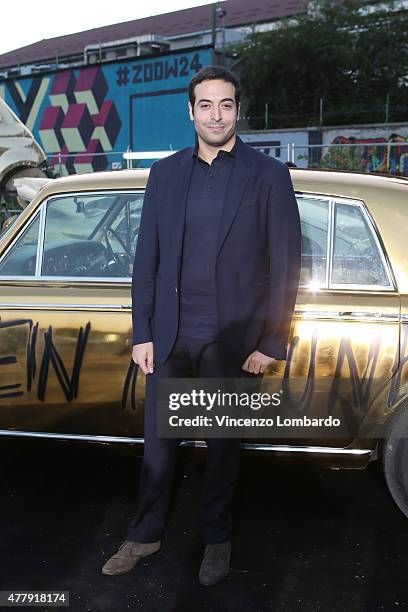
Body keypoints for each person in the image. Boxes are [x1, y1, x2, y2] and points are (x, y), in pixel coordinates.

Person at [102, 66, 301, 586]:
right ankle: (144, 535)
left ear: (238, 110)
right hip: (169, 337)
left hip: (232, 341)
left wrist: (272, 341)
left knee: (221, 448)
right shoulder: (165, 174)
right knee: (159, 449)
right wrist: (142, 330)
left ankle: (216, 537)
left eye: (226, 104)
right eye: (206, 105)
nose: (216, 114)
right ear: (190, 111)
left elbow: (285, 265)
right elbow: (147, 257)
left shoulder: (268, 176)